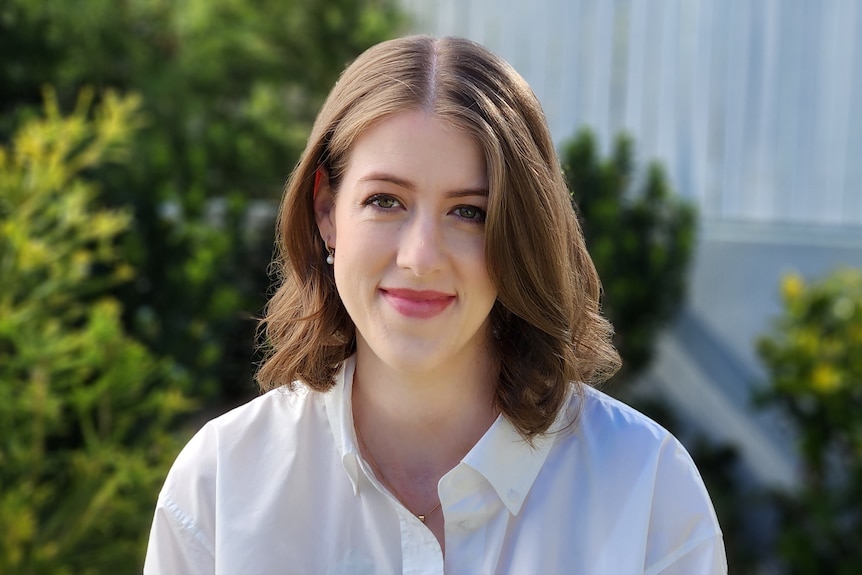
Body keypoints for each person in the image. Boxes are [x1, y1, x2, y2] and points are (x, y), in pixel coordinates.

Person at [144, 35, 727, 574]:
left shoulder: (649, 490)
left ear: (518, 232)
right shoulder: (218, 486)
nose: (421, 257)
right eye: (385, 201)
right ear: (326, 211)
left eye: (469, 211)